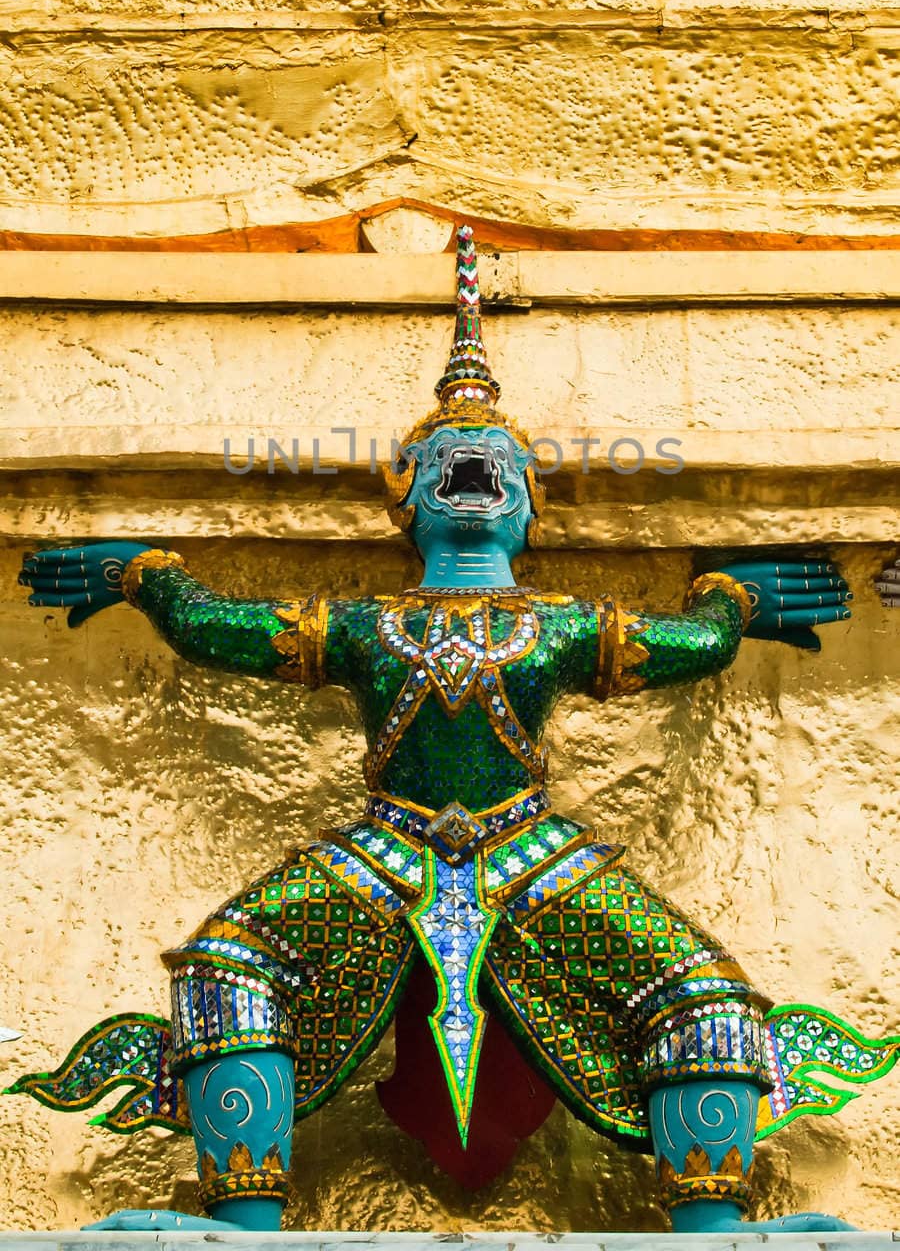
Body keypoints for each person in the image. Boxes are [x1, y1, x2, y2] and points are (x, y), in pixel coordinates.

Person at [13, 228, 897, 1233]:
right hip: (385, 848)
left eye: (497, 465)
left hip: (530, 850)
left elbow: (686, 643)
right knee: (229, 967)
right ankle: (240, 1220)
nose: (474, 465)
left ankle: (713, 1221)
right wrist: (149, 579)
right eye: (448, 458)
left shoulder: (558, 626)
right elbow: (229, 630)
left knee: (701, 990)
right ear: (408, 492)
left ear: (527, 506)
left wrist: (733, 603)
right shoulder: (364, 628)